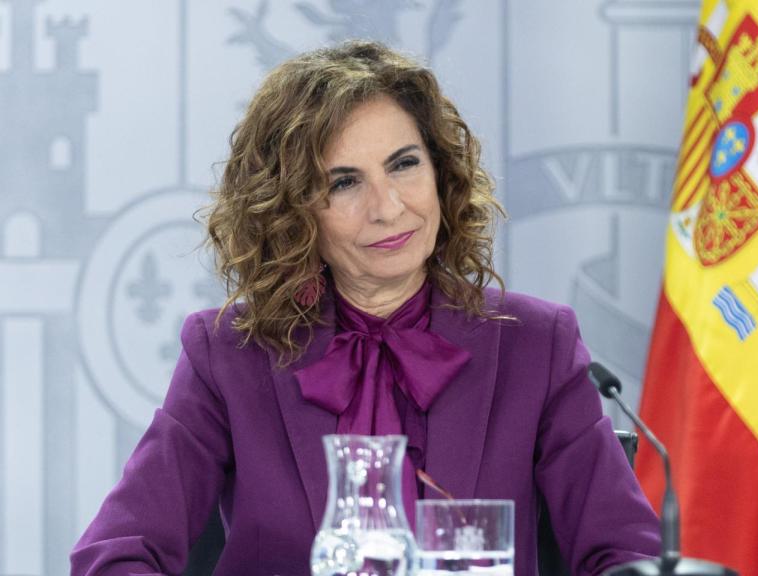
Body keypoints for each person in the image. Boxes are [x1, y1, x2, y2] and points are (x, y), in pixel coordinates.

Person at [71, 40, 659, 576]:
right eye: (344, 183)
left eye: (404, 164)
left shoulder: (536, 343)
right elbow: (114, 555)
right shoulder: (227, 353)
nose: (388, 208)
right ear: (293, 211)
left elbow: (626, 555)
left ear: (440, 172)